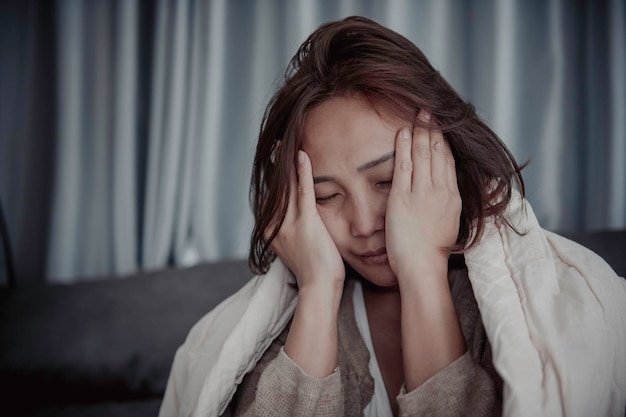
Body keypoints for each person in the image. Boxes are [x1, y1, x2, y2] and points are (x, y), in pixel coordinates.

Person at [159, 16, 626, 417]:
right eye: (325, 195)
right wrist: (319, 291)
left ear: (448, 161)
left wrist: (423, 266)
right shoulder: (264, 337)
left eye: (387, 180)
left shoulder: (564, 309)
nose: (363, 224)